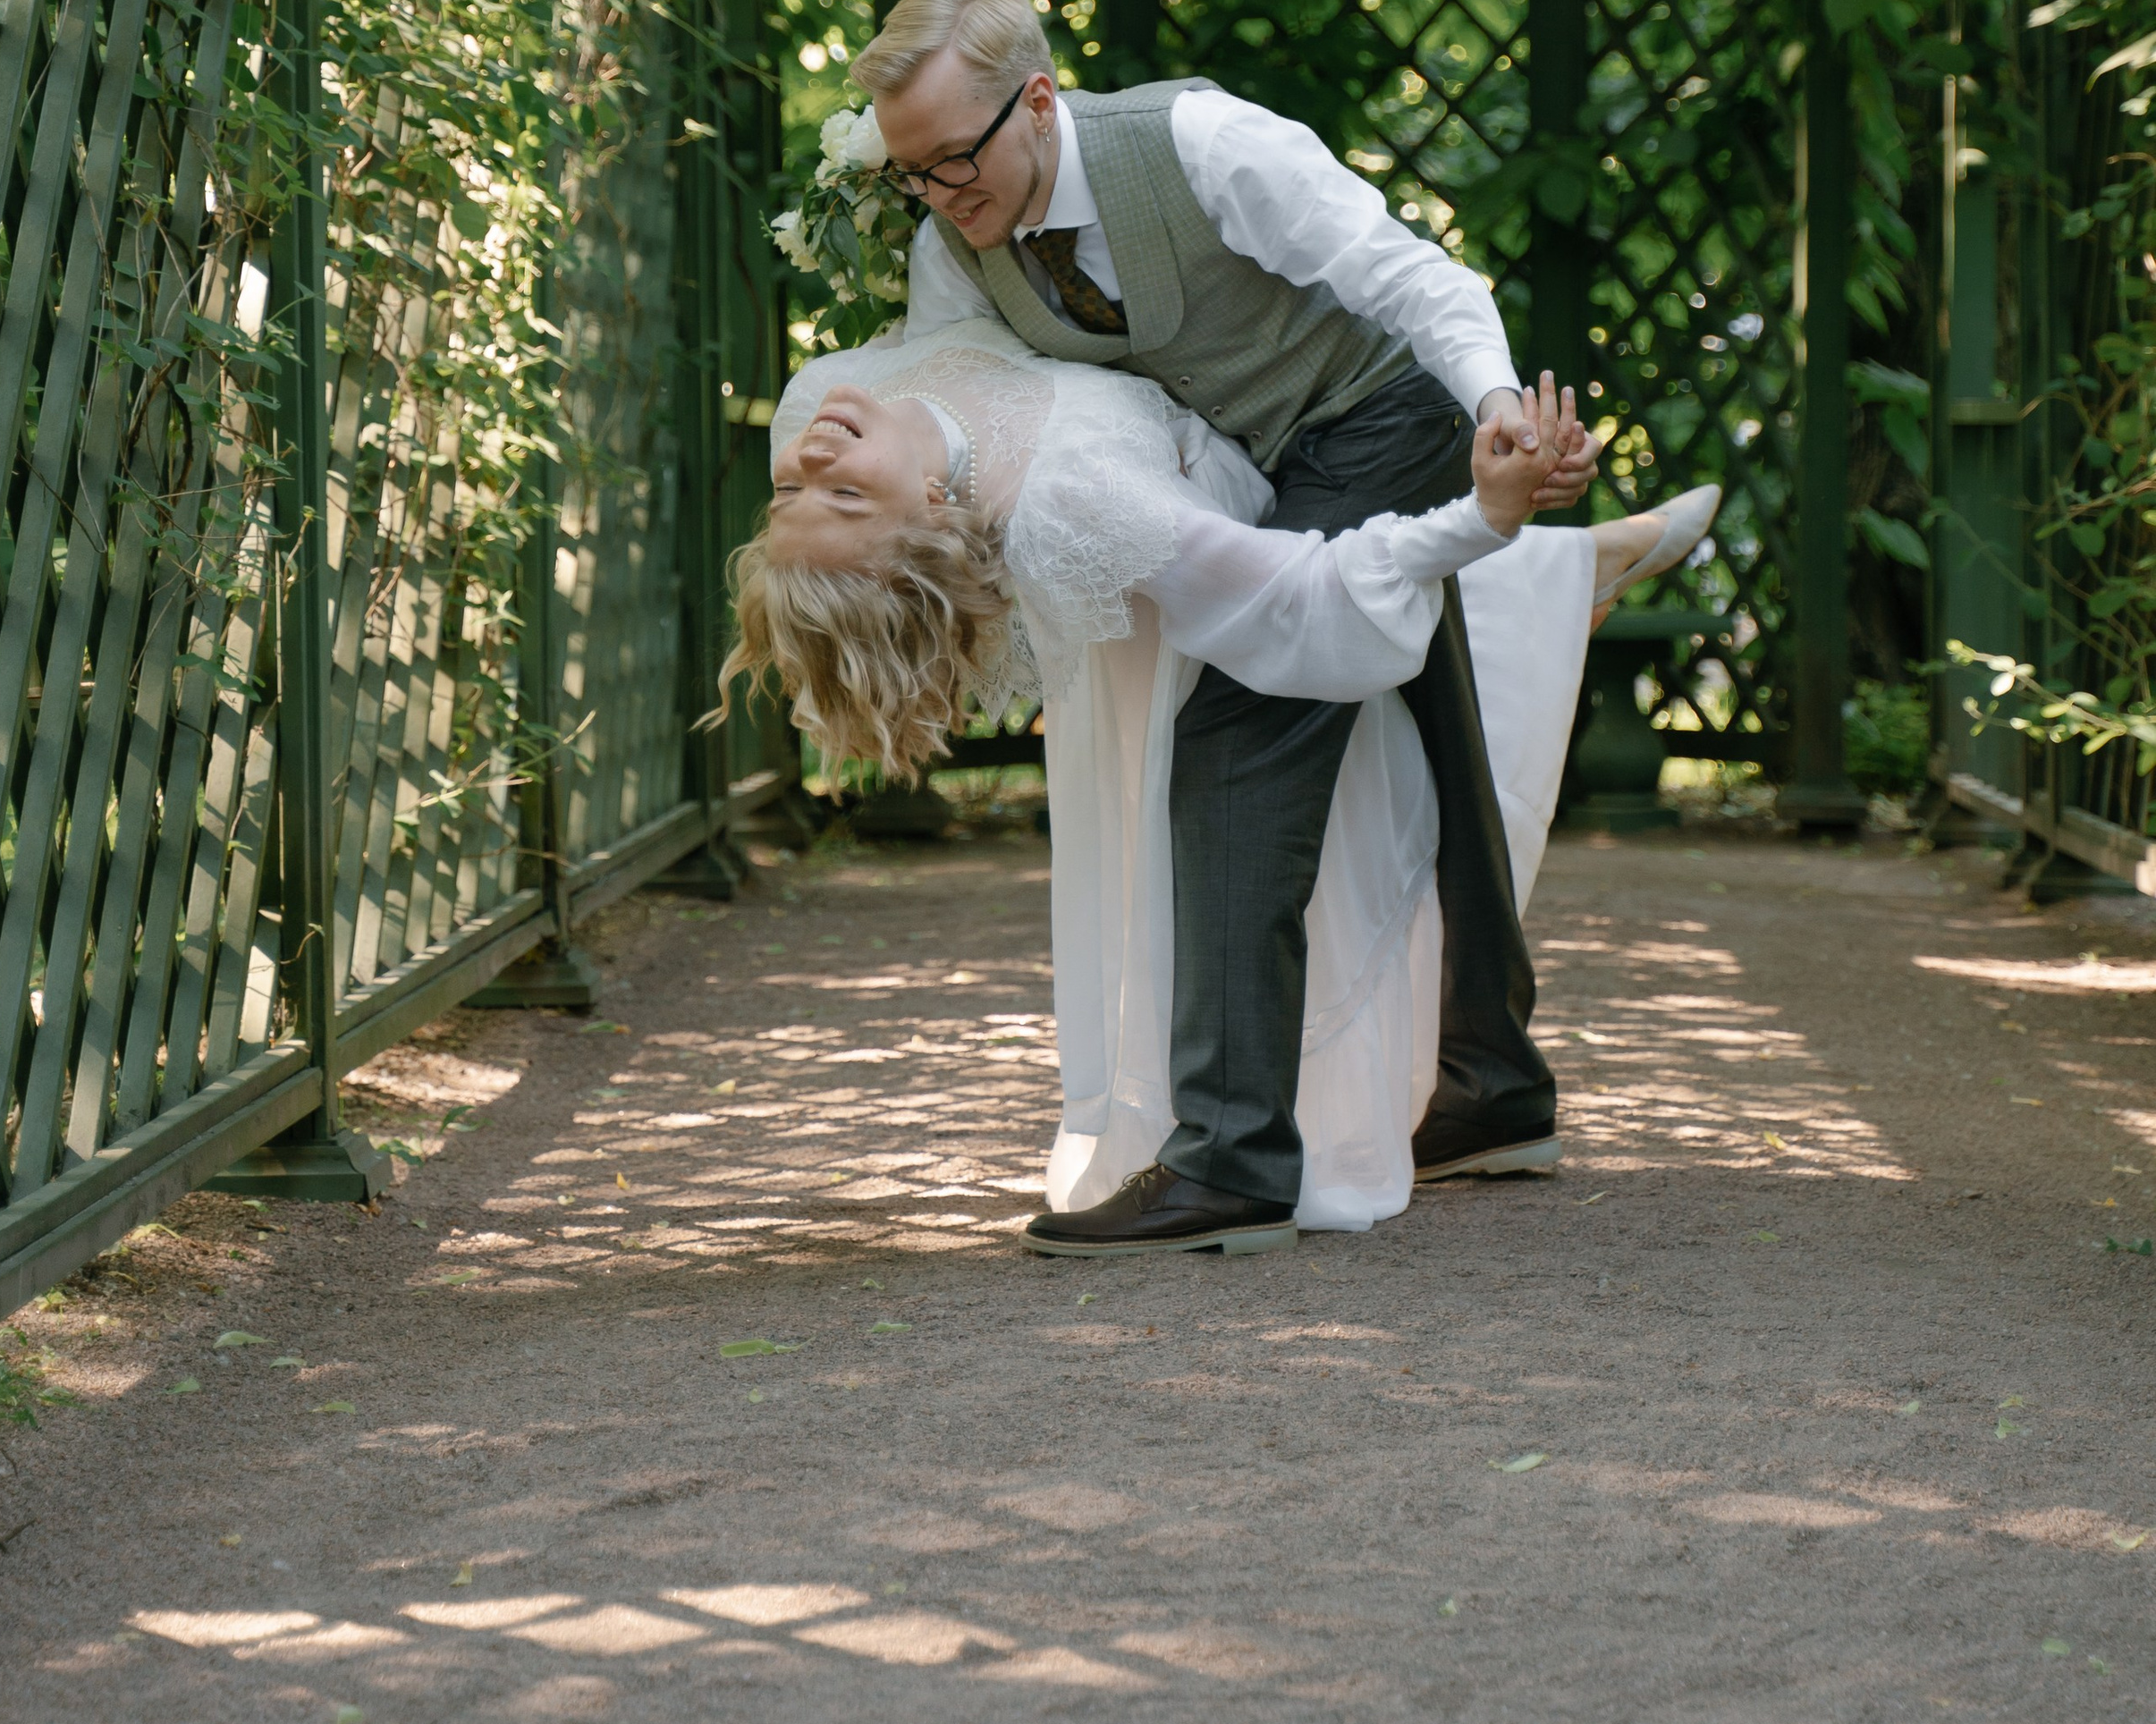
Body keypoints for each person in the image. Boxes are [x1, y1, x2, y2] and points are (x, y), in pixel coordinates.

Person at [850, 0, 1710, 1253]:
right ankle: (1489, 1081)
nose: (941, 198)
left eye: (958, 162)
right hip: (1259, 472)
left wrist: (1495, 411)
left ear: (1040, 102)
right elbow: (966, 407)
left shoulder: (1201, 143)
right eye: (912, 174)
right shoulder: (952, 252)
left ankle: (1232, 1156)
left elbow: (1409, 276)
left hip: (1384, 418)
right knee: (1430, 721)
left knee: (1239, 742)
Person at [722, 315, 1711, 1245]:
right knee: (1265, 780)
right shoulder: (1079, 501)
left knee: (1389, 707)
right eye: (838, 496)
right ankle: (1283, 1138)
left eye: (798, 498)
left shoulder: (822, 407)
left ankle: (1555, 578)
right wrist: (1483, 521)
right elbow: (1291, 591)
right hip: (1196, 582)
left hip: (1287, 456)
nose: (809, 465)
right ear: (936, 513)